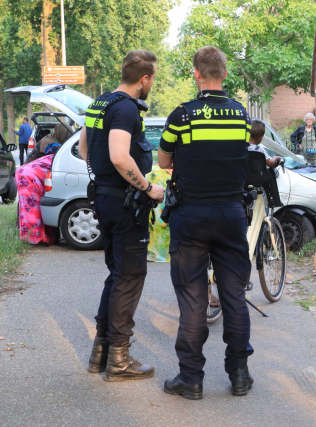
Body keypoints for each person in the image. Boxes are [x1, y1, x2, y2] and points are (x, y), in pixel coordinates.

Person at [158, 45, 253, 400]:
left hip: (192, 215)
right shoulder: (241, 115)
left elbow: (164, 159)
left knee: (193, 299)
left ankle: (191, 378)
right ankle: (240, 374)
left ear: (197, 74)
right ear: (224, 74)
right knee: (234, 297)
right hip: (231, 214)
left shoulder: (182, 116)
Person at [77, 50, 165, 382]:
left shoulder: (99, 103)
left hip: (104, 197)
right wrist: (147, 188)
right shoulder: (127, 108)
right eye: (152, 78)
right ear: (144, 78)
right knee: (129, 277)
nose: (151, 83)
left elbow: (86, 150)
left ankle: (100, 353)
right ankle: (119, 360)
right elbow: (118, 155)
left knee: (116, 275)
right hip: (126, 203)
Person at [15, 154, 60, 246]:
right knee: (32, 210)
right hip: (29, 176)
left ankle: (33, 237)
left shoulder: (52, 157)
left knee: (30, 208)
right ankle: (34, 239)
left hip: (27, 173)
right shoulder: (58, 157)